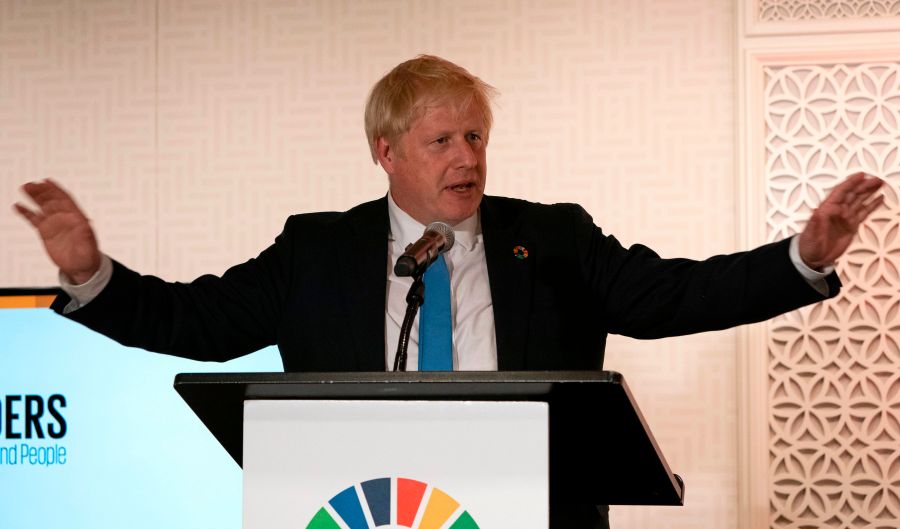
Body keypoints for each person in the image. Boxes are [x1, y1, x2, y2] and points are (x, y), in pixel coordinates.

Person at [13, 55, 885, 528]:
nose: (466, 156)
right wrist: (93, 275)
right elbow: (199, 321)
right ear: (385, 153)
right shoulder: (317, 248)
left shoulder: (553, 236)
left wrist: (798, 258)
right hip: (361, 512)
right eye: (440, 140)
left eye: (474, 134)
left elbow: (672, 296)